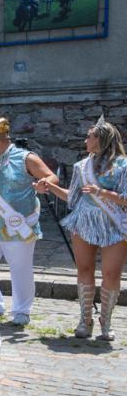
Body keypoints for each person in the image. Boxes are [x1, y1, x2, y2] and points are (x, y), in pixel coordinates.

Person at [36, 116, 127, 342]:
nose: (85, 140)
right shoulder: (81, 166)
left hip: (114, 223)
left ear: (101, 139)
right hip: (84, 221)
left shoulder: (123, 166)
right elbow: (73, 197)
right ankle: (85, 319)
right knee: (84, 269)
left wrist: (103, 193)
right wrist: (51, 187)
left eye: (89, 136)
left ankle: (106, 321)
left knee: (111, 273)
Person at [0, 116, 57, 326]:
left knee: (19, 268)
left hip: (18, 227)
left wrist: (44, 183)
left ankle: (22, 309)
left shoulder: (25, 157)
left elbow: (51, 176)